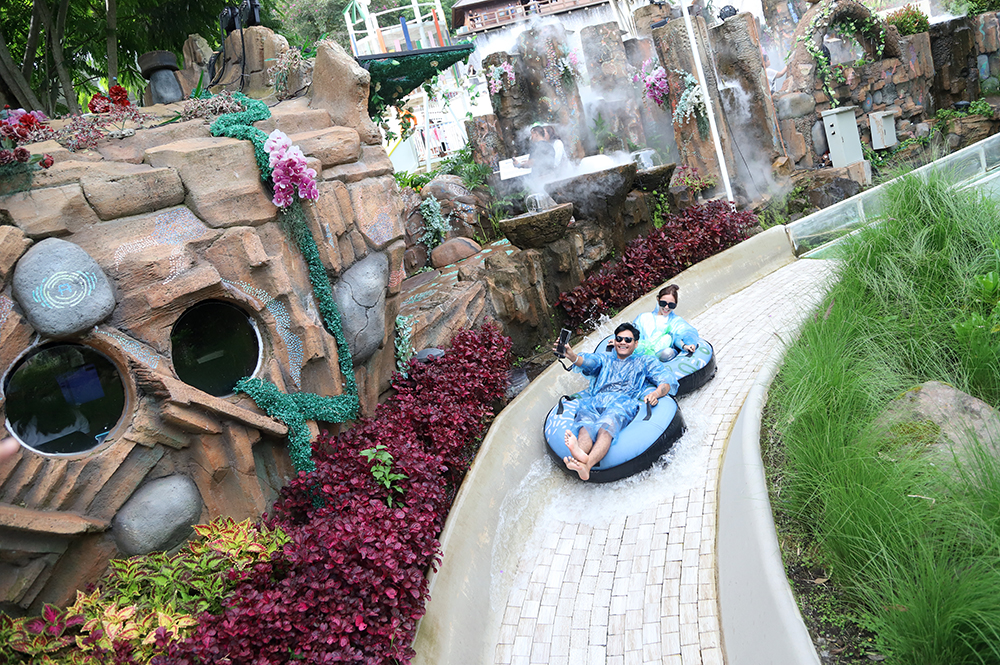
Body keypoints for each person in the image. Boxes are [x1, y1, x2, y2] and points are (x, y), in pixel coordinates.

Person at [554, 322, 678, 481]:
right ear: (615, 340)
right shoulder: (605, 359)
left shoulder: (643, 361)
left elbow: (665, 381)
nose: (623, 343)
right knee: (585, 428)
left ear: (636, 343)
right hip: (595, 402)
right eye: (619, 338)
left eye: (628, 340)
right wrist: (571, 355)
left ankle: (587, 464)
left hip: (622, 403)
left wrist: (655, 393)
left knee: (606, 427)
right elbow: (588, 362)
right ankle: (579, 455)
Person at [633, 284, 699, 362]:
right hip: (641, 354)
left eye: (671, 305)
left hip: (661, 357)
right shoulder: (643, 317)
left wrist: (688, 344)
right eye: (663, 303)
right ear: (658, 300)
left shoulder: (675, 321)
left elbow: (686, 332)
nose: (666, 307)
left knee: (667, 352)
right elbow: (630, 332)